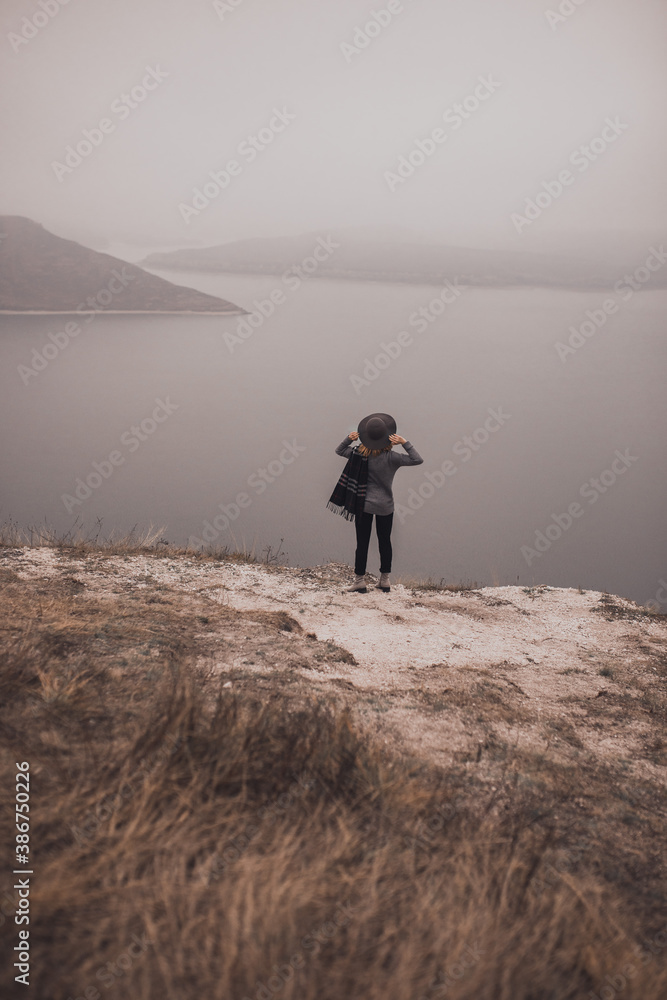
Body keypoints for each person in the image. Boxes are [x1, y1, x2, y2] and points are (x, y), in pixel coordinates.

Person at [327, 412, 423, 593]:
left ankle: (359, 581)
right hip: (385, 506)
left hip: (363, 505)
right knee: (384, 542)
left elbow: (339, 450)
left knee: (362, 542)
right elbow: (417, 459)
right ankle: (385, 580)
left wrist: (349, 439)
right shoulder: (393, 458)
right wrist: (404, 442)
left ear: (365, 436)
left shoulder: (358, 455)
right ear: (388, 437)